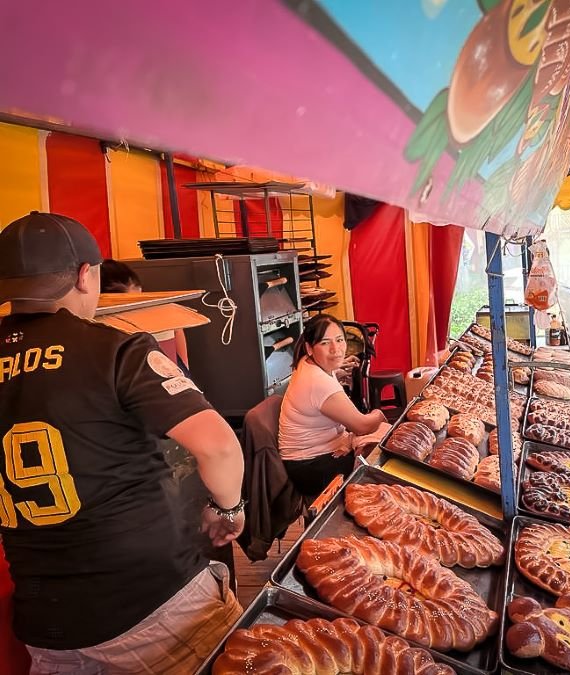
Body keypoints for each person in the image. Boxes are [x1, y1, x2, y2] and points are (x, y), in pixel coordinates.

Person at [0, 212, 246, 674]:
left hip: (46, 624)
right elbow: (219, 447)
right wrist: (229, 509)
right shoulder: (115, 349)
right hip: (151, 605)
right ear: (85, 274)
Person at [278, 314, 389, 503]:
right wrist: (380, 414)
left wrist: (335, 371)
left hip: (311, 457)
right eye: (325, 343)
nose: (336, 349)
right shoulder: (317, 382)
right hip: (311, 467)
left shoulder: (307, 363)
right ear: (309, 348)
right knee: (383, 452)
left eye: (339, 340)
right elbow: (362, 425)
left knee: (383, 439)